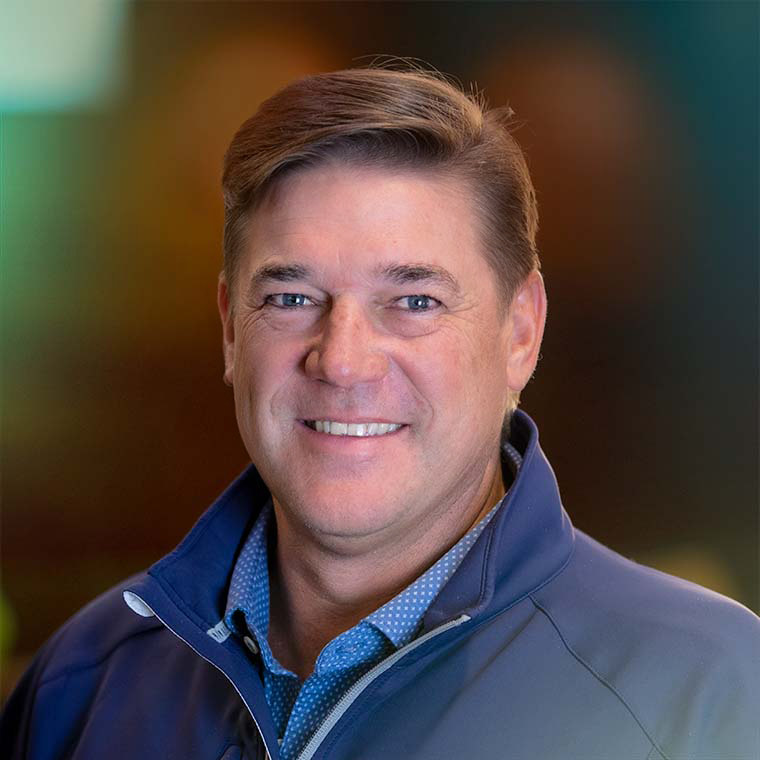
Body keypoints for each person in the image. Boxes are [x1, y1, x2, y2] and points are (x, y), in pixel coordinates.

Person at [2, 66, 758, 760]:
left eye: (414, 302)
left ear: (521, 332)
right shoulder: (83, 685)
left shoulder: (705, 697)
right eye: (291, 297)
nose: (342, 361)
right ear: (232, 328)